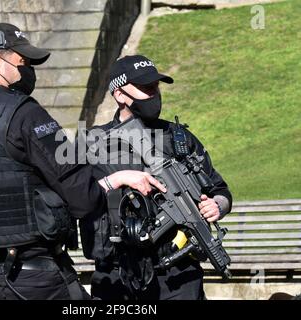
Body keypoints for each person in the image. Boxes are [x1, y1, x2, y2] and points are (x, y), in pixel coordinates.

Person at [0, 25, 166, 300]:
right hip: (33, 280)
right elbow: (82, 197)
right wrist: (111, 181)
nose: (29, 71)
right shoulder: (25, 114)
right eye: (23, 62)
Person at [80, 55, 233, 300]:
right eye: (145, 88)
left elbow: (221, 190)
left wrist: (217, 206)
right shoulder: (92, 143)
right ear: (120, 95)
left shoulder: (178, 138)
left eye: (156, 87)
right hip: (115, 274)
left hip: (176, 274)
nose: (154, 94)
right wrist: (116, 180)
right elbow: (74, 197)